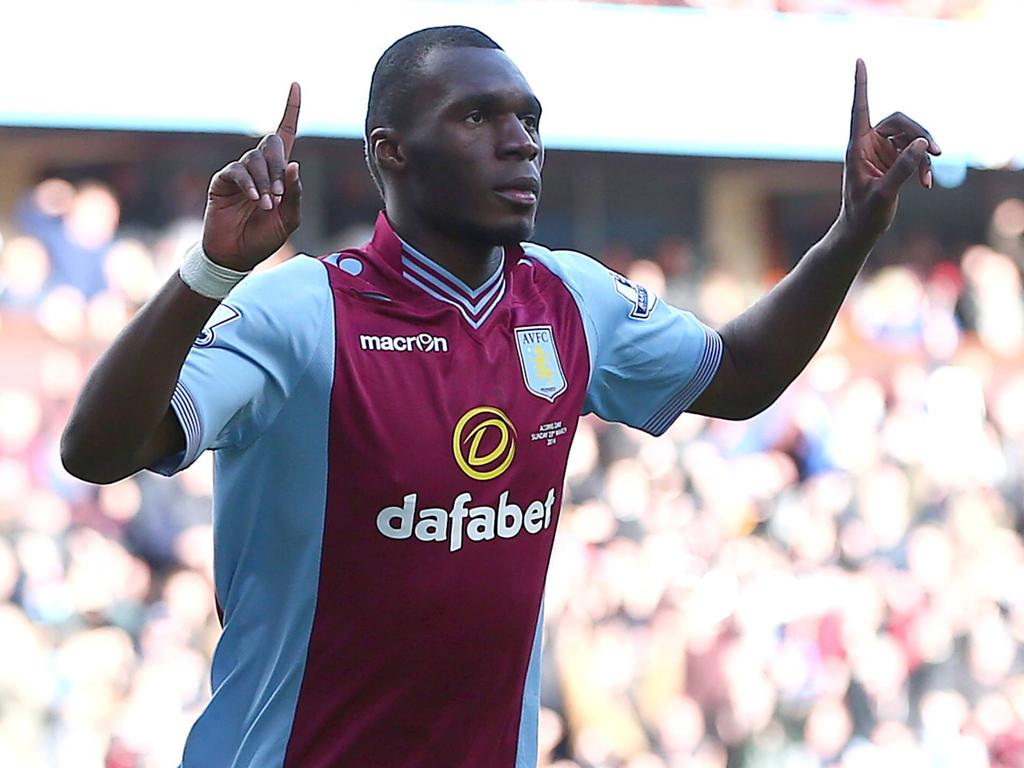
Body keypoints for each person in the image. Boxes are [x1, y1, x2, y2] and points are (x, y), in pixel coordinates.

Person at [60, 25, 940, 768]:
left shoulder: (571, 301)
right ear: (389, 153)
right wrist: (212, 271)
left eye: (528, 118)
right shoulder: (297, 312)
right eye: (477, 116)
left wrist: (852, 232)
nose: (519, 139)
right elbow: (95, 454)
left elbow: (740, 378)